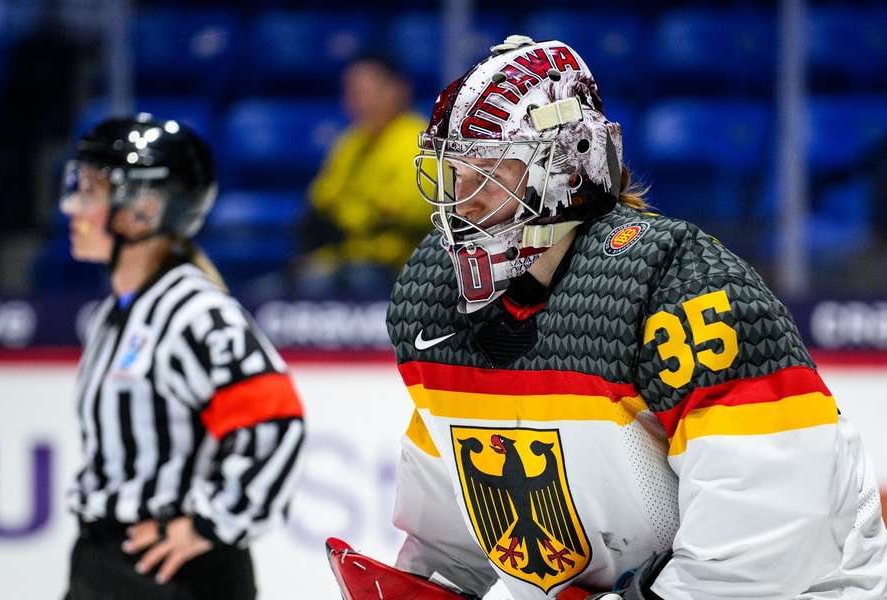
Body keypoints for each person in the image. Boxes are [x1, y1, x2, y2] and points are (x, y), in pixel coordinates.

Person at [328, 36, 887, 599]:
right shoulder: (435, 300)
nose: (463, 203)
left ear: (568, 171)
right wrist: (434, 582)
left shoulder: (685, 289)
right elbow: (466, 536)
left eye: (490, 175)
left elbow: (772, 542)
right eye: (455, 174)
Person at [60, 115, 305, 600]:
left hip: (171, 576)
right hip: (107, 564)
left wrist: (209, 525)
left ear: (144, 209)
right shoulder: (120, 310)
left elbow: (276, 422)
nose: (72, 208)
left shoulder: (194, 312)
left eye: (90, 191)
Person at [298, 54, 432, 298]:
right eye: (351, 94)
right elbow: (321, 198)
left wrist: (348, 217)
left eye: (364, 92)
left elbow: (409, 209)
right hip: (344, 259)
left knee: (340, 282)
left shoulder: (420, 140)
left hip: (397, 266)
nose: (356, 102)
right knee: (281, 286)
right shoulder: (351, 142)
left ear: (397, 90)